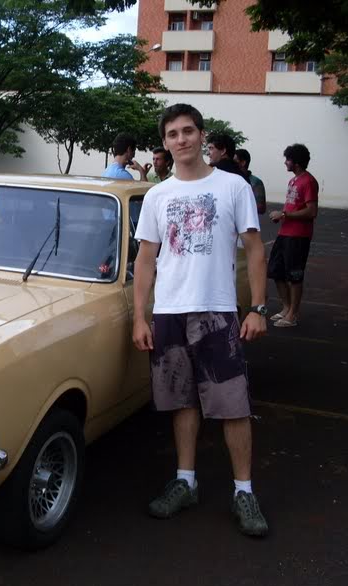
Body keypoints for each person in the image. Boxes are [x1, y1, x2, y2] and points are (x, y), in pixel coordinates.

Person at [133, 103, 269, 537]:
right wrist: (141, 316)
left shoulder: (233, 187)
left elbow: (255, 248)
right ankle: (185, 481)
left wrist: (259, 307)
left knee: (233, 405)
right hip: (169, 312)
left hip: (218, 311)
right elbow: (146, 260)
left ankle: (244, 491)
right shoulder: (157, 195)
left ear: (202, 135)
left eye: (188, 131)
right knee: (181, 401)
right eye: (172, 134)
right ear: (166, 142)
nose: (181, 140)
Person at [267, 144, 319, 327]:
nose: (285, 163)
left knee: (294, 275)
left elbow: (312, 211)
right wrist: (282, 215)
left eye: (287, 159)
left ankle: (293, 315)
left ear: (295, 162)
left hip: (298, 236)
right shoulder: (293, 181)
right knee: (276, 271)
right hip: (285, 233)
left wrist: (285, 215)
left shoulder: (308, 182)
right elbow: (292, 207)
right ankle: (286, 307)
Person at [233, 149, 267, 215]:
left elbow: (261, 208)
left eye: (234, 161)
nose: (231, 164)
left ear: (243, 162)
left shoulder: (256, 182)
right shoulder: (232, 180)